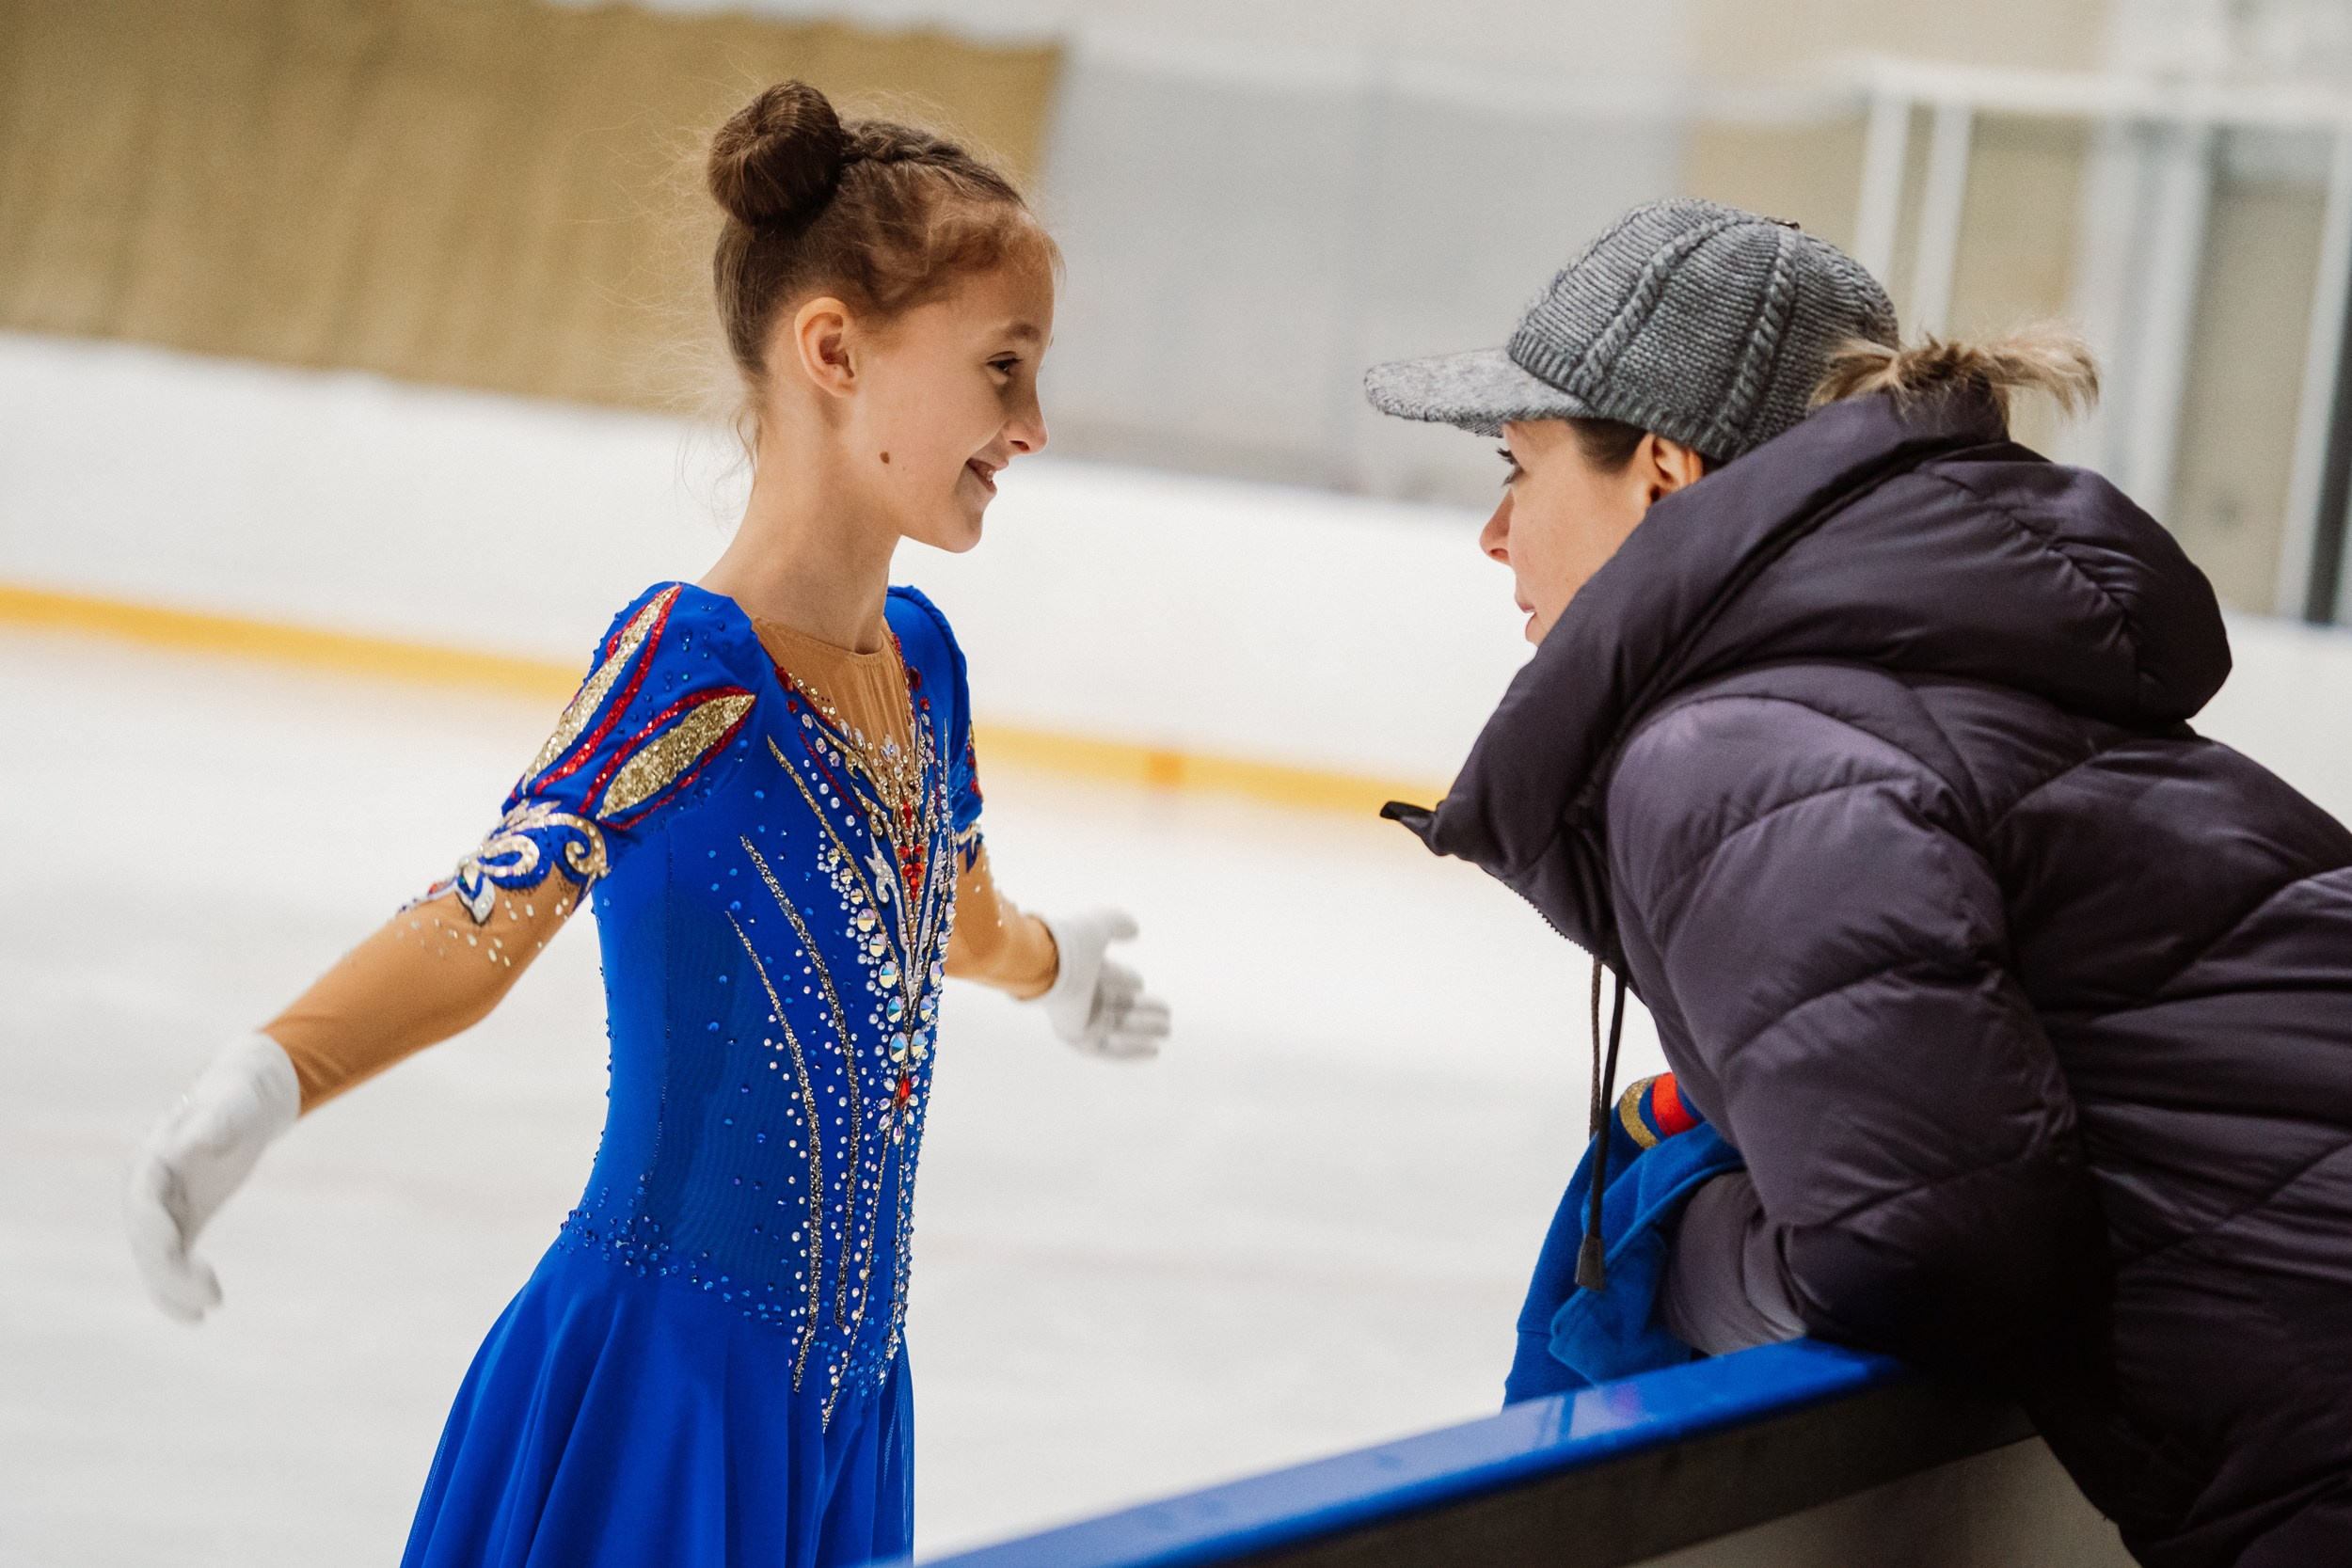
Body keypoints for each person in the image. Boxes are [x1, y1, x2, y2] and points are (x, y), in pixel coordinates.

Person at [120, 80, 1169, 1568]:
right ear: (833, 350)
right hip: (663, 1391)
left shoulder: (924, 666)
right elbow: (488, 914)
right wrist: (265, 1078)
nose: (1034, 423)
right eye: (1004, 368)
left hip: (850, 1404)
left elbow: (948, 911)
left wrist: (1054, 968)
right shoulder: (693, 663)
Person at [1367, 198, 2352, 1568]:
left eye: (1517, 466)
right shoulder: (1953, 684)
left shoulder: (1734, 751)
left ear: (1660, 470)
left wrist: (1674, 1233)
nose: (1494, 533)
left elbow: (1930, 1252)